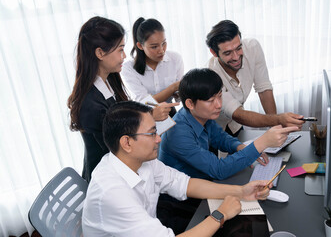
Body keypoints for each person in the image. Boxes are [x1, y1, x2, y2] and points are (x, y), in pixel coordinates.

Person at [82, 100, 272, 237]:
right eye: (152, 133)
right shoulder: (112, 192)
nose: (158, 139)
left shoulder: (140, 161)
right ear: (127, 143)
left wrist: (241, 192)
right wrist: (220, 214)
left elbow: (185, 184)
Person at [67, 16, 176, 182]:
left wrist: (150, 113)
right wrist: (150, 116)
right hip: (108, 179)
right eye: (120, 50)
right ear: (100, 53)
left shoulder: (109, 80)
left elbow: (123, 114)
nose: (125, 56)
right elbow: (118, 141)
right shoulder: (91, 104)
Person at [159, 68, 299, 181]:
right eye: (211, 100)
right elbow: (219, 170)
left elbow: (220, 137)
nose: (219, 105)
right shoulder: (177, 133)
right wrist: (262, 143)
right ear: (190, 103)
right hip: (182, 202)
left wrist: (241, 147)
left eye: (220, 96)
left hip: (201, 183)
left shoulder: (199, 114)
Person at [206, 20, 304, 136]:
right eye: (228, 53)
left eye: (238, 48)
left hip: (235, 125)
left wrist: (276, 129)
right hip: (213, 130)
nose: (236, 57)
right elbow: (237, 114)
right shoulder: (212, 76)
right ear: (214, 53)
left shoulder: (252, 47)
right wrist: (278, 119)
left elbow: (264, 88)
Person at [122, 17, 184, 116]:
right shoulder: (128, 68)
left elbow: (180, 95)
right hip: (146, 117)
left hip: (170, 113)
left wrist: (180, 91)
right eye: (154, 46)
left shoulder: (175, 59)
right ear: (140, 46)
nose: (161, 50)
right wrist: (173, 88)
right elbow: (144, 103)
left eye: (164, 43)